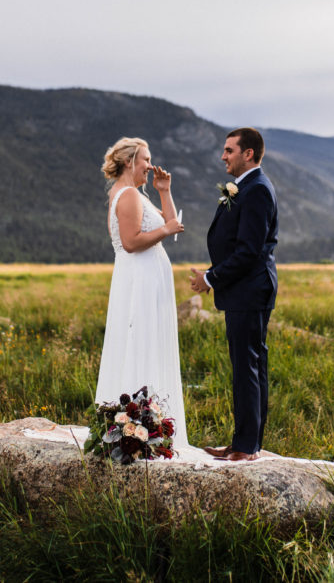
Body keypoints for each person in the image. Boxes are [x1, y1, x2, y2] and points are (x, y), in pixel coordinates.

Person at [190, 127, 278, 462]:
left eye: (229, 150)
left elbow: (249, 252)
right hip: (246, 290)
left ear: (249, 154)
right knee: (250, 367)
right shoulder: (247, 187)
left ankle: (246, 448)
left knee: (247, 368)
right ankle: (246, 442)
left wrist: (210, 278)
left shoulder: (256, 190)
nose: (223, 156)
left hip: (250, 290)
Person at [95, 137, 189, 446]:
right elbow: (133, 242)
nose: (150, 165)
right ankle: (140, 428)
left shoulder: (134, 194)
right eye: (145, 160)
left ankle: (148, 425)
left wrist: (164, 192)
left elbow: (172, 222)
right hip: (140, 280)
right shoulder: (129, 197)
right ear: (128, 162)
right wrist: (164, 230)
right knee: (142, 341)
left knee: (148, 341)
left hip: (147, 278)